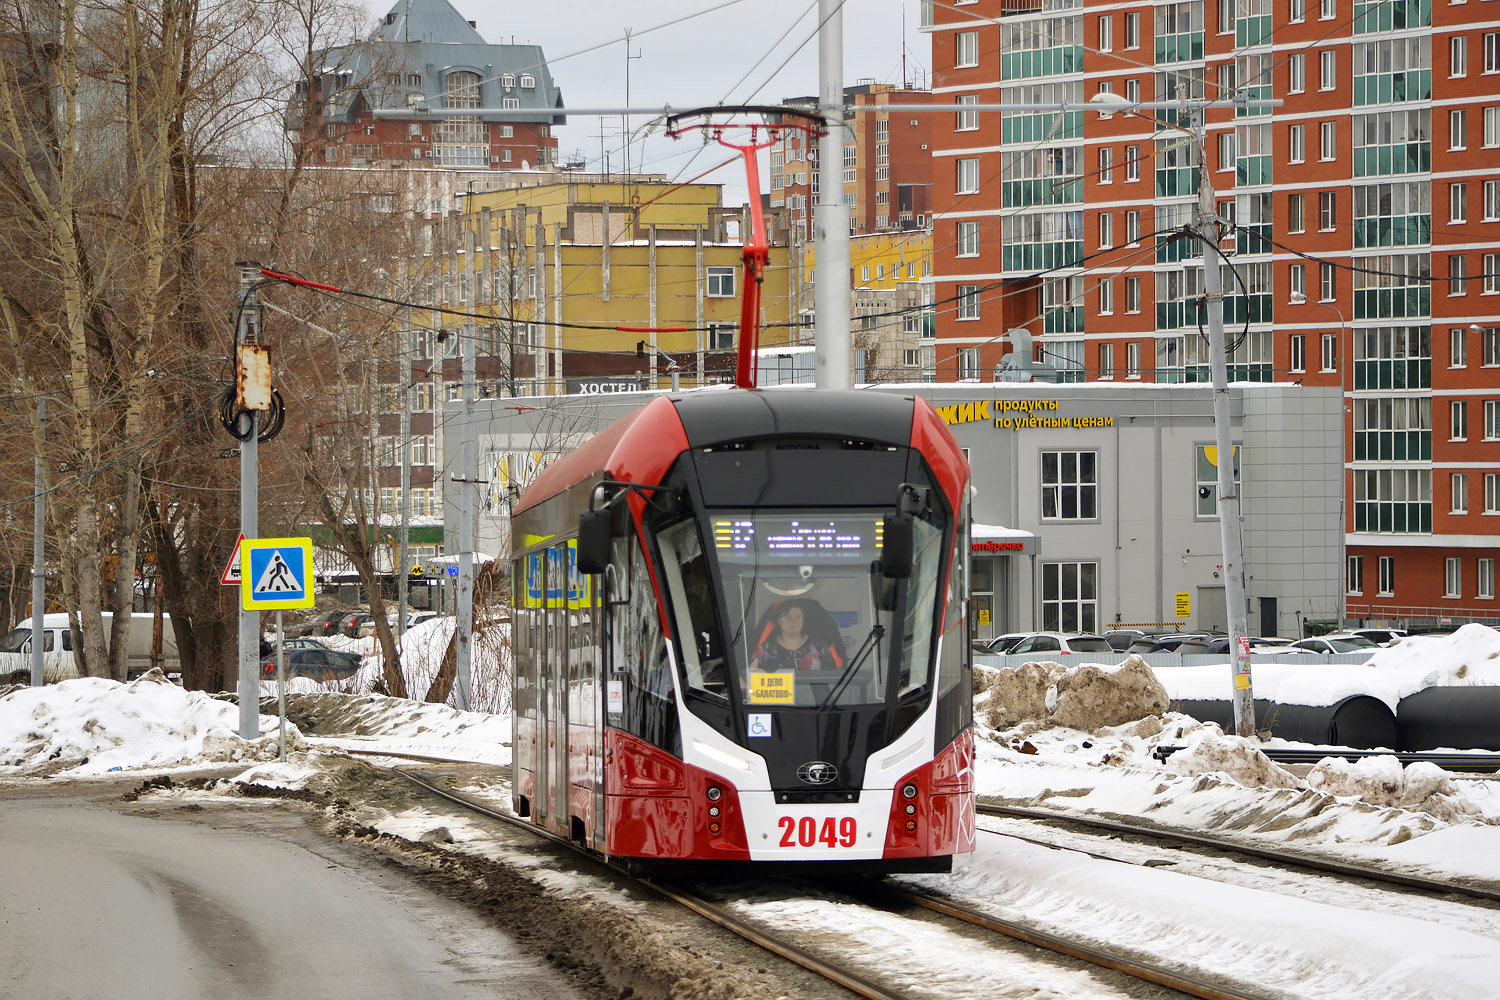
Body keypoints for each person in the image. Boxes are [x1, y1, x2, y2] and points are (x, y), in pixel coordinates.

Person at [749, 600, 842, 673]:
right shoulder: (767, 648)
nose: (793, 621)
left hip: (815, 697)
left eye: (798, 617)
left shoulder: (820, 646)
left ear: (803, 620)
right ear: (779, 620)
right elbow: (750, 677)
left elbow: (833, 678)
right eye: (788, 617)